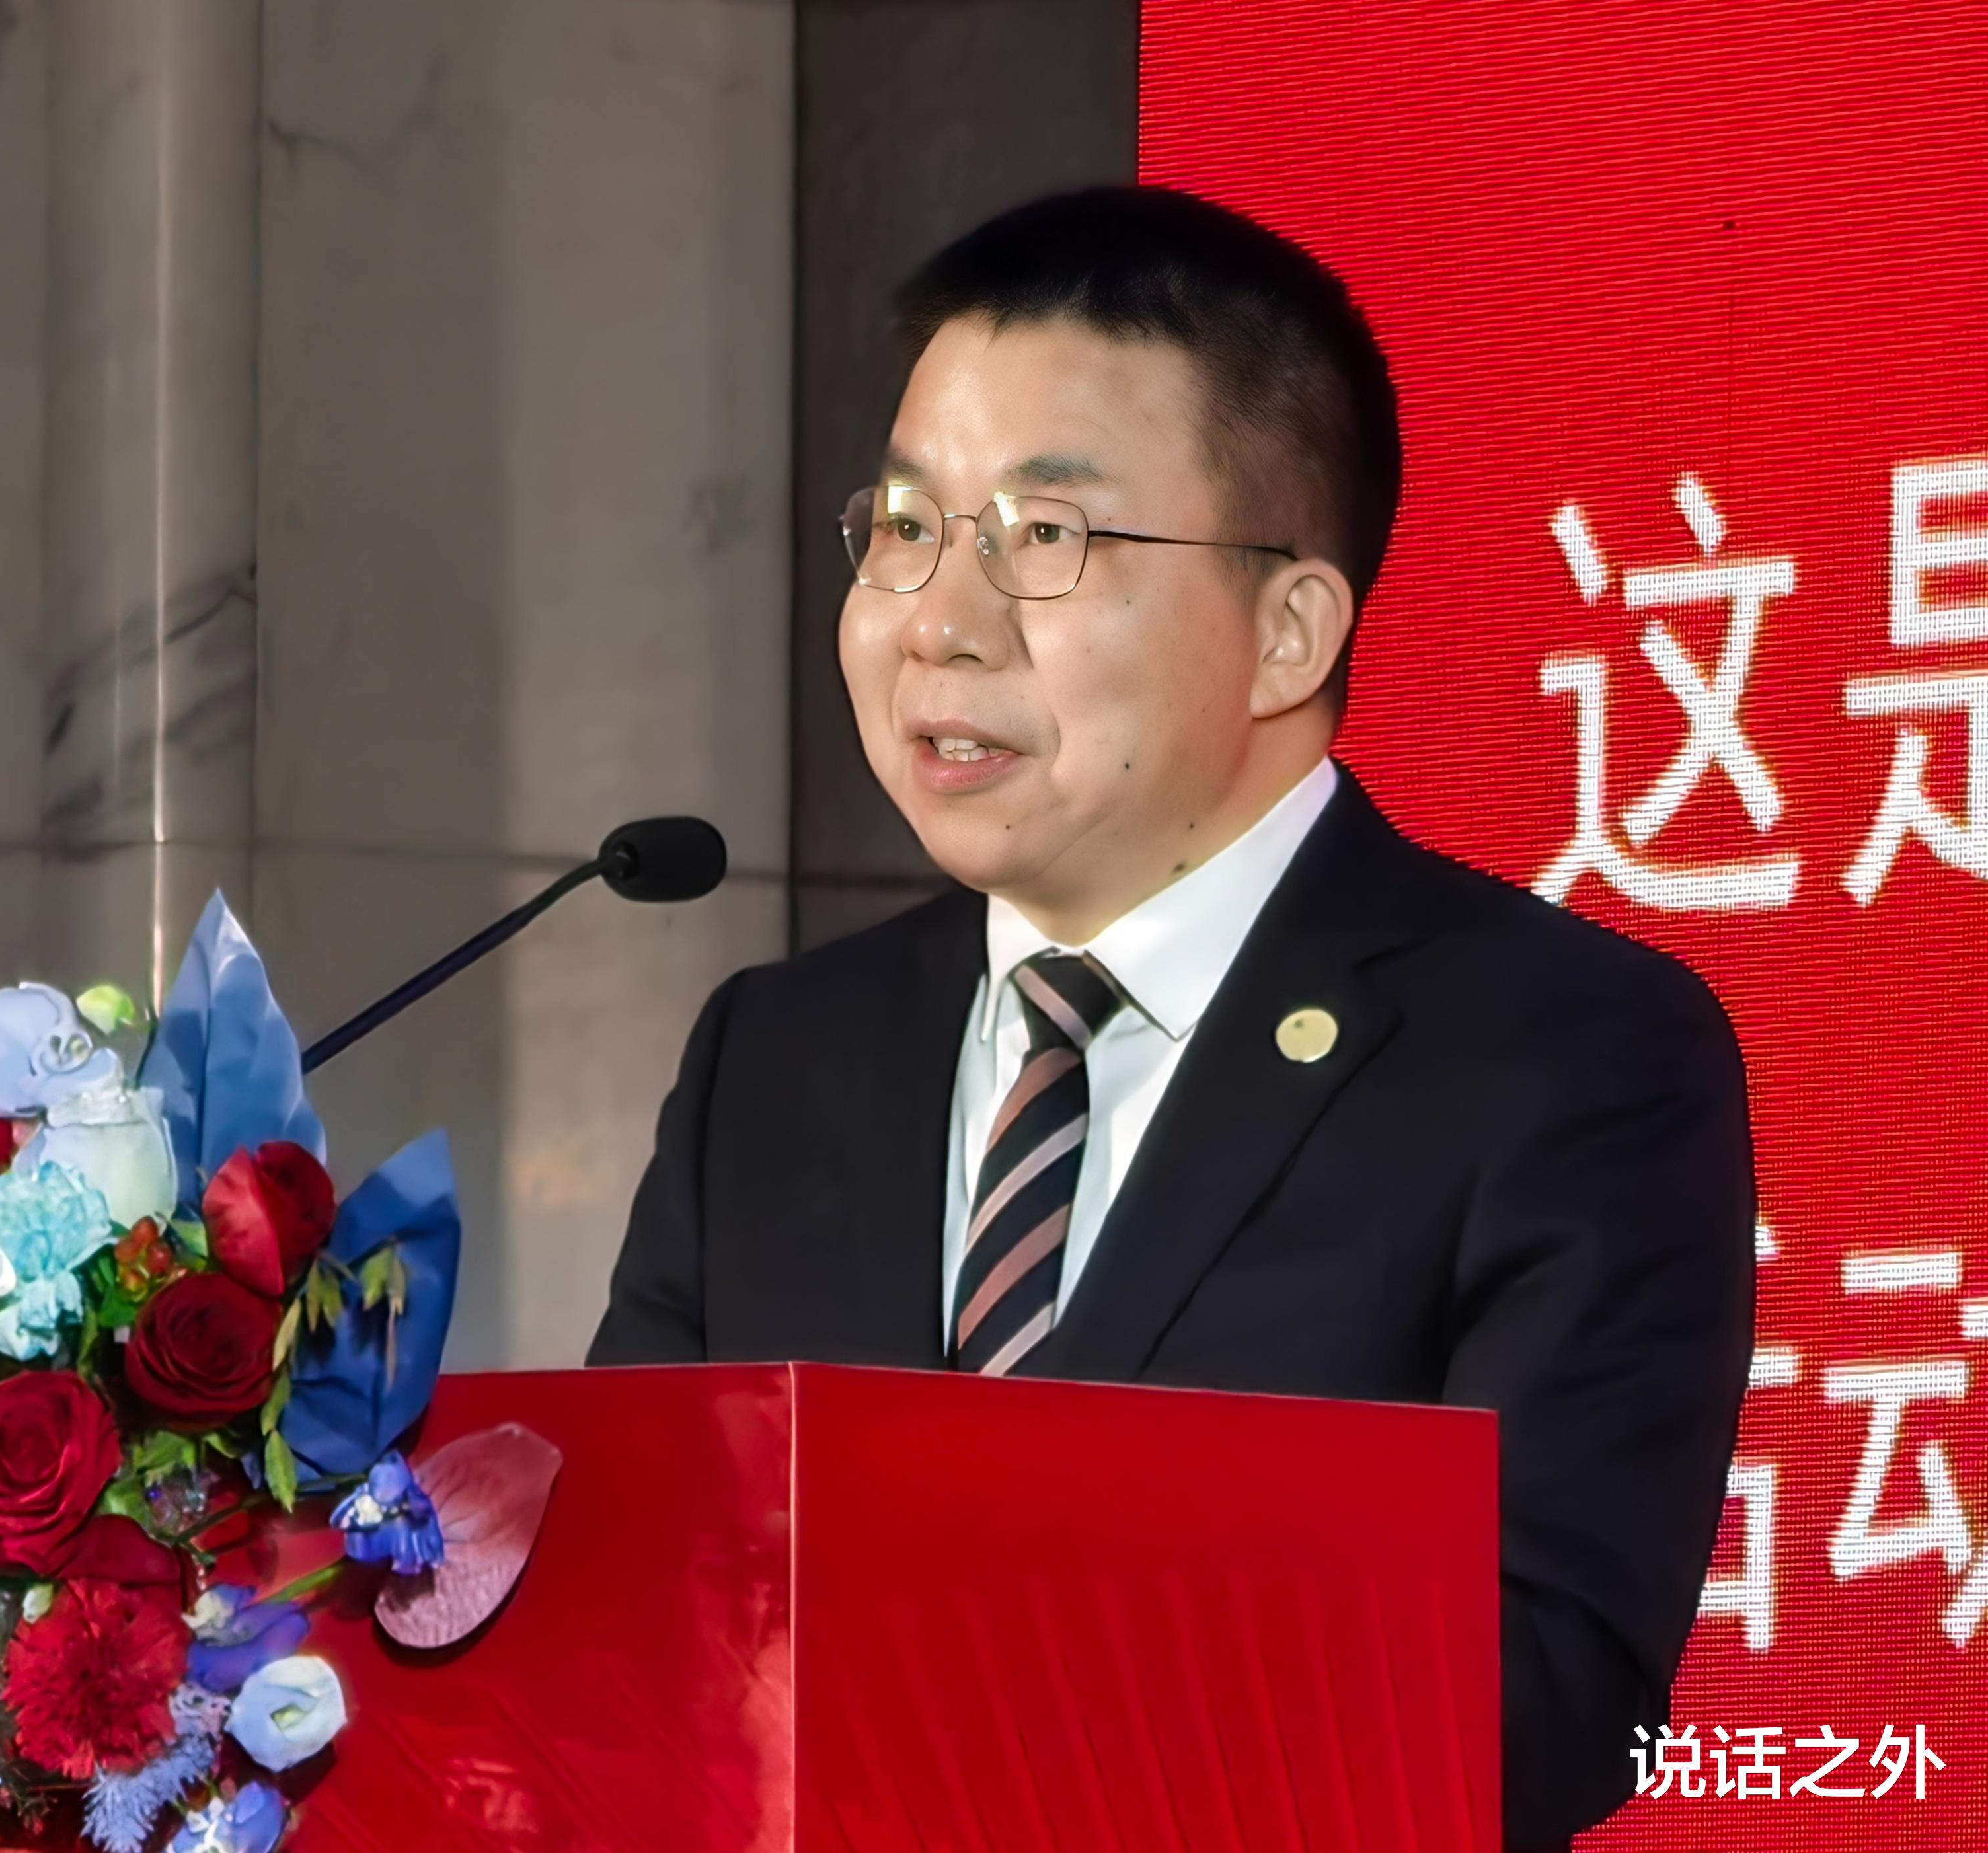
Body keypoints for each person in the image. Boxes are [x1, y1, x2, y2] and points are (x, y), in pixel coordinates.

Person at [588, 185, 1755, 1852]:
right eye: (905, 528)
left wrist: (947, 1705)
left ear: (1287, 631)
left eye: (1044, 540)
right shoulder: (773, 1060)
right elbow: (622, 1615)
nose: (936, 623)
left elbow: (1543, 1705)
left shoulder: (1561, 1054)